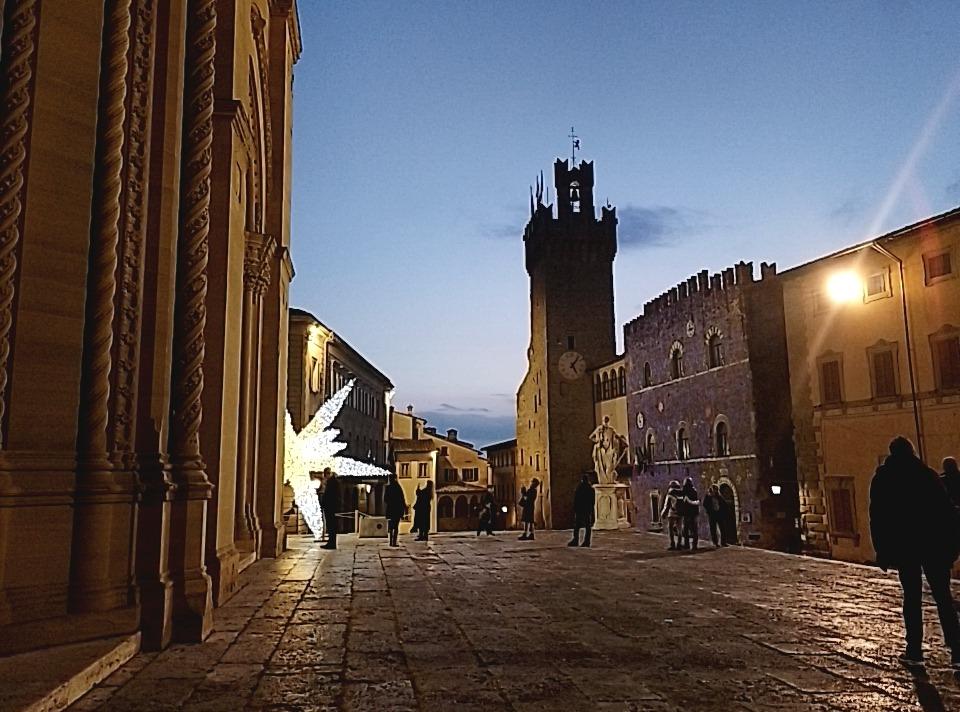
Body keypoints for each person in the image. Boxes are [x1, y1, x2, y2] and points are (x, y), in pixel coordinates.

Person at [870, 436, 960, 668]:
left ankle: (914, 649)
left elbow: (878, 518)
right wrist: (951, 547)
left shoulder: (885, 478)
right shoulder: (927, 475)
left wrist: (882, 550)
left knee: (912, 598)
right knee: (943, 598)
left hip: (905, 546)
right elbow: (946, 512)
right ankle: (957, 648)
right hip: (933, 545)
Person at [569, 474, 596, 547]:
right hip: (587, 510)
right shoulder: (590, 489)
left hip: (580, 510)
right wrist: (590, 508)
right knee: (588, 526)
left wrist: (575, 508)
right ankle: (587, 541)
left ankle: (575, 540)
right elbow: (593, 501)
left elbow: (576, 499)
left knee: (577, 526)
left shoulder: (579, 488)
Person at [384, 473, 407, 547]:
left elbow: (385, 499)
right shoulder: (398, 487)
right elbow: (402, 499)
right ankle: (394, 541)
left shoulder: (388, 488)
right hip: (397, 509)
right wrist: (403, 509)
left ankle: (391, 541)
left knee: (391, 526)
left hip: (390, 509)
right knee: (396, 526)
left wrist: (390, 502)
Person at [660, 480, 684, 550]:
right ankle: (679, 544)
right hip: (680, 513)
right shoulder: (681, 493)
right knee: (680, 529)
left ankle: (672, 544)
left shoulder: (670, 494)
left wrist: (663, 514)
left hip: (672, 513)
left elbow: (667, 505)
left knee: (670, 529)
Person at [320, 469, 340, 550]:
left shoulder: (332, 482)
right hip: (331, 506)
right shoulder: (333, 481)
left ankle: (331, 543)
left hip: (330, 507)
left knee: (331, 525)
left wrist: (324, 503)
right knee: (331, 525)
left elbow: (329, 495)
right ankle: (331, 542)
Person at [680, 477, 700, 550]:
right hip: (694, 513)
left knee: (686, 530)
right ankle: (694, 545)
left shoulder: (684, 491)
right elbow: (696, 501)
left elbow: (682, 502)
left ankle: (687, 544)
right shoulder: (694, 491)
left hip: (686, 513)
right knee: (695, 530)